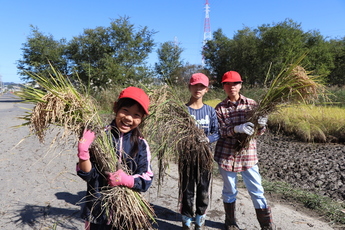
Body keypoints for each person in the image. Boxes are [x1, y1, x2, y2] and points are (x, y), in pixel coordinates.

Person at [76, 86, 154, 230]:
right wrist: (83, 152)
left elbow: (147, 178)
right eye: (125, 110)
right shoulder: (99, 137)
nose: (129, 118)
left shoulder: (141, 144)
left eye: (136, 115)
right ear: (116, 108)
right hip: (97, 211)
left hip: (125, 214)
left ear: (142, 119)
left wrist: (128, 180)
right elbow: (88, 175)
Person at [214, 71, 275, 230]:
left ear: (240, 85)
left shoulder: (252, 104)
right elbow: (220, 131)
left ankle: (266, 225)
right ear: (223, 87)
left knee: (257, 190)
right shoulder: (219, 108)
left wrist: (261, 125)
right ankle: (230, 223)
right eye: (227, 84)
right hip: (226, 155)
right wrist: (236, 129)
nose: (231, 87)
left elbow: (259, 132)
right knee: (230, 190)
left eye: (235, 83)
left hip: (248, 155)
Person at [181, 73, 220, 230]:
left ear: (206, 90)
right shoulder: (182, 110)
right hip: (187, 158)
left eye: (202, 86)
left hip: (205, 157)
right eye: (195, 85)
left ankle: (200, 220)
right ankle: (186, 221)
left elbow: (217, 132)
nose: (198, 88)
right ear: (189, 87)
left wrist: (208, 140)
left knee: (203, 190)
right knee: (187, 191)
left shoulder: (210, 111)